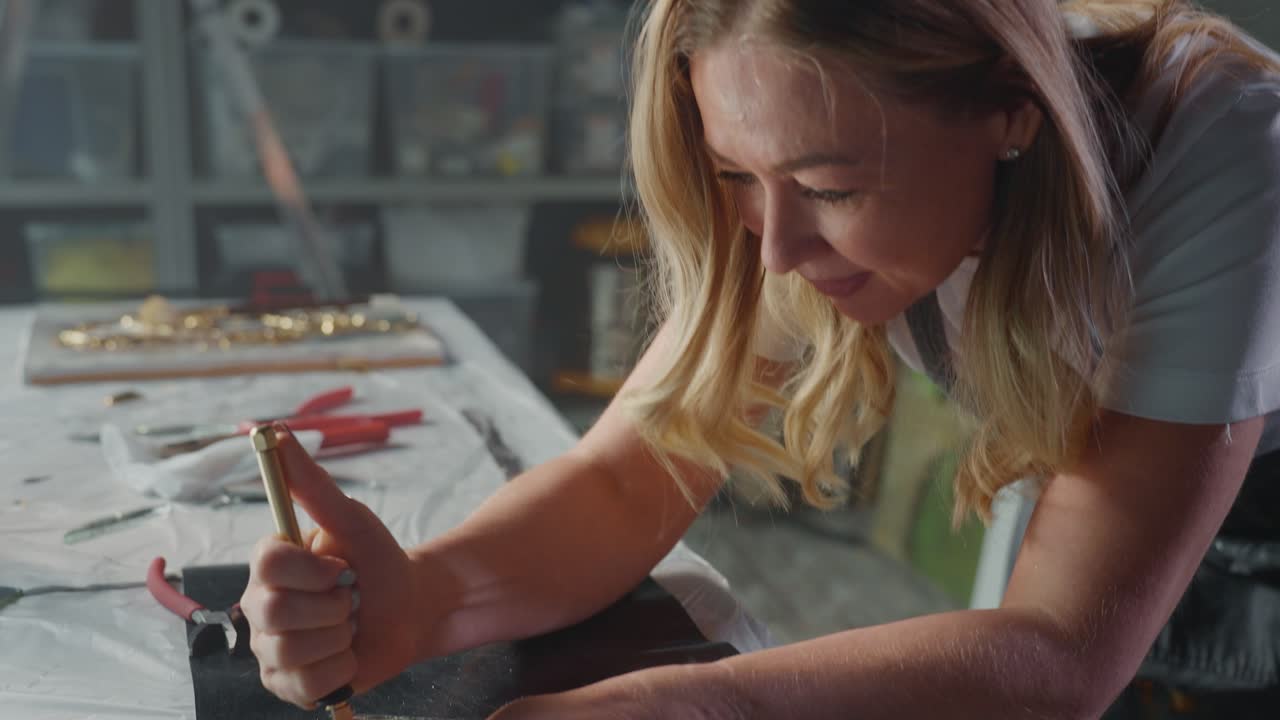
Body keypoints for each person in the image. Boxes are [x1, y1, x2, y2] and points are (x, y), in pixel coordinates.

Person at [239, 0, 1280, 717]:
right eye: (735, 174)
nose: (774, 248)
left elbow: (1060, 654)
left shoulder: (1216, 151)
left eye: (829, 189)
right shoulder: (814, 157)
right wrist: (426, 599)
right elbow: (624, 478)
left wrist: (696, 703)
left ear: (1010, 113)